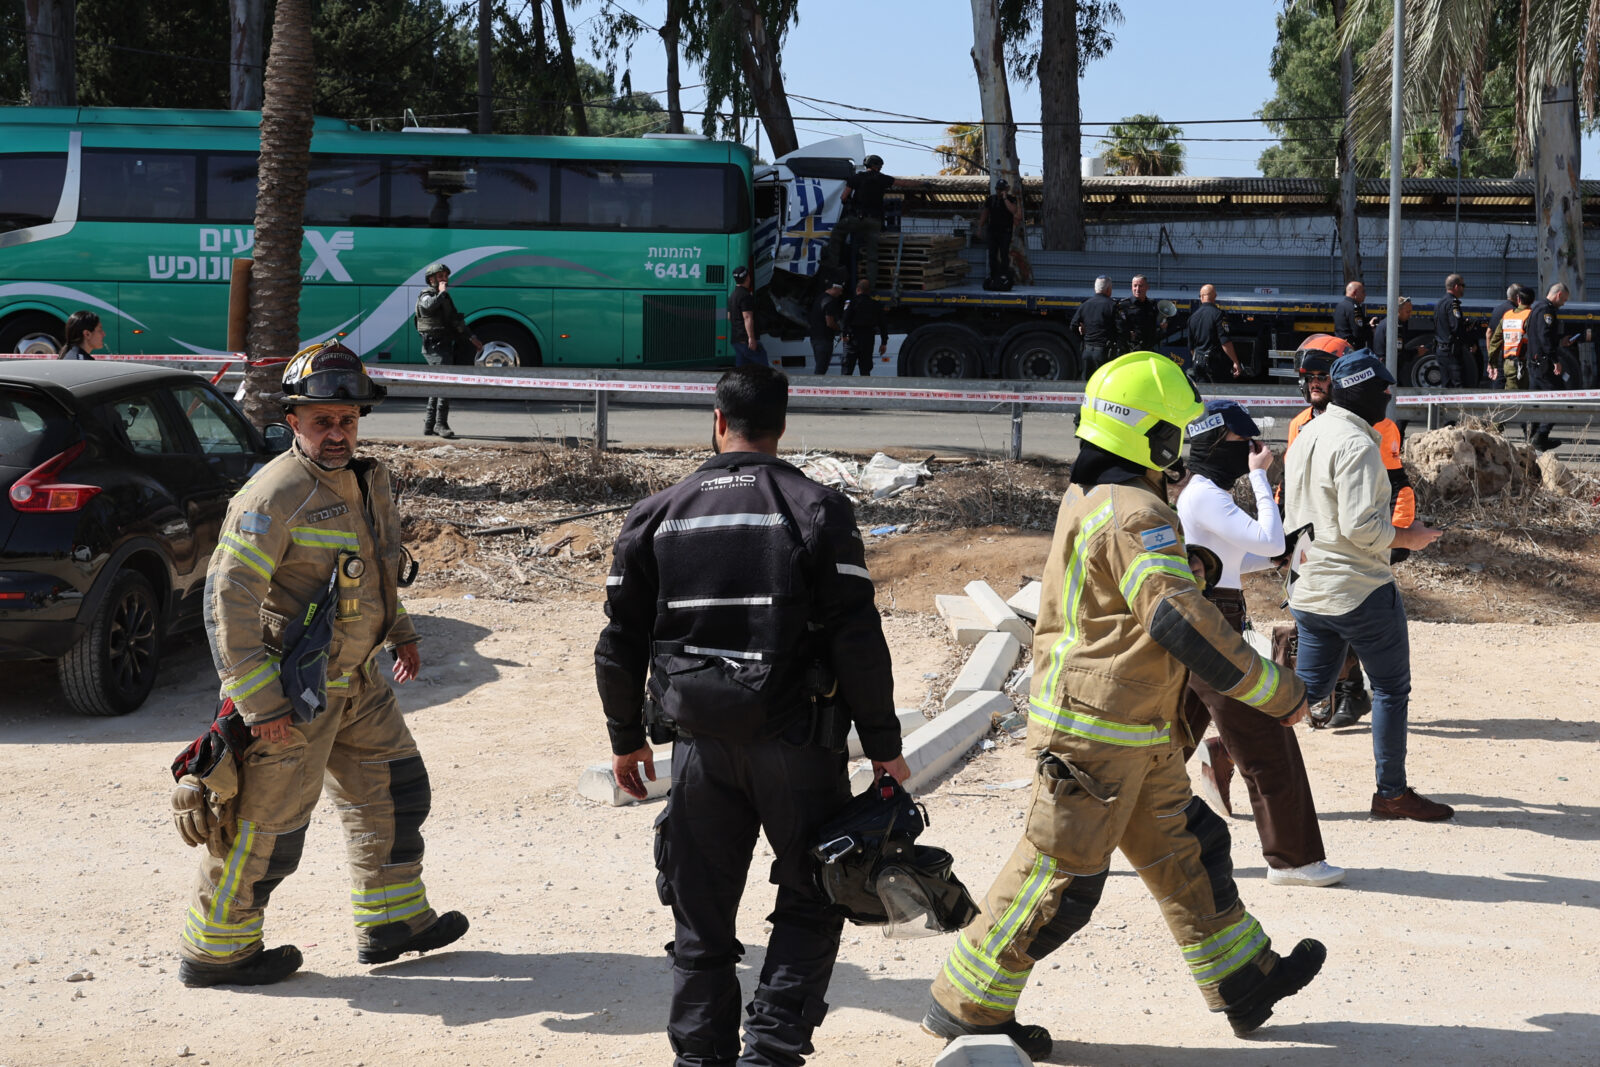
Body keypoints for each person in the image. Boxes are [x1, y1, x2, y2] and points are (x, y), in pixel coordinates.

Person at [923, 352, 1323, 1058]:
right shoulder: (1137, 513)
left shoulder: (1093, 496)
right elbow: (1179, 620)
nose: (1185, 448)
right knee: (1058, 876)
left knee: (1192, 849)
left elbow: (1123, 602)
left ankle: (1244, 978)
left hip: (1128, 729)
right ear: (1155, 439)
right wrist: (1278, 692)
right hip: (1096, 737)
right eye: (1176, 433)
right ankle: (968, 1005)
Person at [596, 365, 911, 1067]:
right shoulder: (817, 508)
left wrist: (624, 739)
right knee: (812, 897)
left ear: (717, 420)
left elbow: (618, 642)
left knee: (700, 919)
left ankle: (699, 1059)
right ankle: (768, 1054)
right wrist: (884, 745)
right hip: (797, 747)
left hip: (699, 751)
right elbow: (858, 638)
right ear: (782, 425)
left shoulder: (656, 514)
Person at [172, 342, 468, 988]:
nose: (338, 433)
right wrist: (260, 705)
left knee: (395, 789)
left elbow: (380, 562)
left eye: (347, 419)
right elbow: (227, 601)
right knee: (265, 830)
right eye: (322, 421)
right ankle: (217, 949)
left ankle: (391, 920)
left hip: (360, 684)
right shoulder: (274, 494)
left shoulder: (366, 478)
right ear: (294, 421)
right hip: (293, 700)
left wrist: (401, 631)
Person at [1178, 400, 1344, 889]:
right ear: (1214, 444)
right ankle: (1294, 860)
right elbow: (1267, 541)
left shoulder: (1201, 493)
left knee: (1157, 749)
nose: (1255, 450)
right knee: (1267, 741)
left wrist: (1283, 554)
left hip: (1206, 619)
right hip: (1214, 628)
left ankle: (1086, 843)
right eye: (1243, 444)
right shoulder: (1208, 494)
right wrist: (1258, 480)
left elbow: (1232, 560)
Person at [1283, 350, 1451, 821]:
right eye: (1384, 390)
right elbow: (1363, 529)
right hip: (1359, 589)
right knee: (1392, 691)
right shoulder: (1358, 445)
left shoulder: (1307, 432)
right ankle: (1391, 794)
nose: (1390, 396)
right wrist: (1410, 539)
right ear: (1361, 392)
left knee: (1306, 692)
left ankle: (1228, 751)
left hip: (1309, 585)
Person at [1284, 335, 1416, 730]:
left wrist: (1401, 534)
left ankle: (1348, 690)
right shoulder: (1300, 425)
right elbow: (1289, 487)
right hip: (1309, 544)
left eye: (1322, 376)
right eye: (1308, 377)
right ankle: (1341, 690)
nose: (1315, 385)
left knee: (1356, 612)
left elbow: (1397, 484)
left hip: (1364, 540)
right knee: (1318, 617)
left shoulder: (1378, 426)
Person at [414, 261, 483, 439]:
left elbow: (455, 321)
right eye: (440, 276)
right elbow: (428, 306)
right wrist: (442, 293)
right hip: (434, 347)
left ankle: (430, 424)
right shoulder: (427, 295)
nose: (444, 279)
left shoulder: (444, 298)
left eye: (446, 276)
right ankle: (440, 424)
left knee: (437, 384)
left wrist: (472, 338)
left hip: (443, 345)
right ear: (431, 279)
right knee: (444, 383)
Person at [829, 154, 895, 286]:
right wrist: (924, 184)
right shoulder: (883, 179)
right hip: (875, 221)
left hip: (857, 219)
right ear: (878, 166)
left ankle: (833, 267)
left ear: (867, 165)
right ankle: (870, 285)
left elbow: (843, 197)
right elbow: (903, 183)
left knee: (837, 233)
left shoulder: (856, 178)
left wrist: (849, 204)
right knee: (872, 256)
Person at [1525, 282, 1575, 450]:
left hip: (1534, 363)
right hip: (1545, 365)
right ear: (1558, 295)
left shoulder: (1536, 308)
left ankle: (1531, 437)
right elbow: (1545, 337)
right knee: (1558, 398)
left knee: (1536, 402)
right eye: (1564, 300)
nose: (1564, 304)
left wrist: (1560, 340)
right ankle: (1541, 436)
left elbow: (1539, 335)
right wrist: (1555, 360)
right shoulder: (1547, 311)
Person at [1187, 285, 1242, 382]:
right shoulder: (1218, 315)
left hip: (1198, 364)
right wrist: (1235, 361)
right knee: (1220, 394)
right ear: (1215, 296)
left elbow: (1191, 348)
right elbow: (1225, 342)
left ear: (1201, 297)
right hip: (1216, 365)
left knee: (1203, 394)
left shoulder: (1192, 317)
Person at [1070, 277, 1120, 378]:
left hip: (1087, 351)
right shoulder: (1112, 305)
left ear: (1095, 289)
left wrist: (1083, 335)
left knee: (1087, 384)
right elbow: (1121, 328)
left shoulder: (1085, 305)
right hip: (1104, 353)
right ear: (1108, 289)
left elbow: (1073, 326)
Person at [977, 178, 1022, 285]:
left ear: (1006, 190)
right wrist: (980, 227)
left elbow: (1013, 210)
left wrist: (1005, 198)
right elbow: (985, 213)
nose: (999, 191)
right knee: (992, 254)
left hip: (1005, 232)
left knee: (1004, 253)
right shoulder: (991, 199)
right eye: (998, 189)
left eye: (1002, 189)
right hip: (993, 231)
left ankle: (1004, 275)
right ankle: (993, 275)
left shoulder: (1011, 199)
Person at [840, 278, 889, 376]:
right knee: (865, 370)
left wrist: (844, 334)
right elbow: (883, 325)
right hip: (868, 339)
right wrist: (884, 342)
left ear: (858, 289)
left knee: (847, 369)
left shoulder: (851, 303)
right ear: (869, 291)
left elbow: (845, 319)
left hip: (852, 339)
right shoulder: (876, 305)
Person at [1488, 286, 1533, 391]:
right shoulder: (1531, 316)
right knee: (1516, 400)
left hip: (1508, 364)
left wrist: (1492, 364)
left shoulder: (1507, 316)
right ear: (1533, 301)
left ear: (1518, 299)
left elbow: (1494, 341)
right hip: (1522, 364)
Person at [1432, 274, 1470, 388]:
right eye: (1463, 285)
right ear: (1456, 286)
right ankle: (1457, 406)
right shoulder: (1453, 304)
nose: (1464, 288)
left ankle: (1445, 406)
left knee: (1446, 384)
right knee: (1457, 384)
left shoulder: (1440, 303)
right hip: (1451, 352)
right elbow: (1456, 326)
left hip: (1441, 349)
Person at [1118, 273, 1167, 355]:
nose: (1137, 289)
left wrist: (1163, 326)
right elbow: (1118, 327)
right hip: (1130, 350)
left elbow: (1156, 326)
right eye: (1135, 286)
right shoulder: (1124, 305)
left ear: (1147, 287)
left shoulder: (1152, 305)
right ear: (1131, 287)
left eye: (1140, 286)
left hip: (1149, 349)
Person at [729, 265, 766, 368]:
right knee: (762, 366)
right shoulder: (745, 296)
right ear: (748, 278)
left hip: (736, 340)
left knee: (742, 370)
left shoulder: (732, 296)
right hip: (746, 340)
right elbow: (747, 317)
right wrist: (751, 338)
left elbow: (729, 316)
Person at [808, 280, 846, 375]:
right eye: (840, 290)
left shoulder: (820, 298)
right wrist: (840, 329)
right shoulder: (830, 301)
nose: (841, 293)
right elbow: (830, 322)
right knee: (821, 369)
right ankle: (816, 388)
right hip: (824, 339)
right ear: (835, 288)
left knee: (820, 366)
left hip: (815, 338)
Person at [1371, 296, 1422, 361]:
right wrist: (1416, 352)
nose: (1410, 315)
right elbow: (1399, 355)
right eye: (1408, 312)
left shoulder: (1385, 322)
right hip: (1388, 367)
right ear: (1398, 311)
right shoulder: (1395, 327)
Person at [1333, 281, 1372, 351]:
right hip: (1352, 349)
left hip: (1340, 346)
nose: (1365, 295)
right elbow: (1358, 332)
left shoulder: (1340, 306)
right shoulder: (1354, 308)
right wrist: (1370, 328)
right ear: (1354, 292)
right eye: (1363, 292)